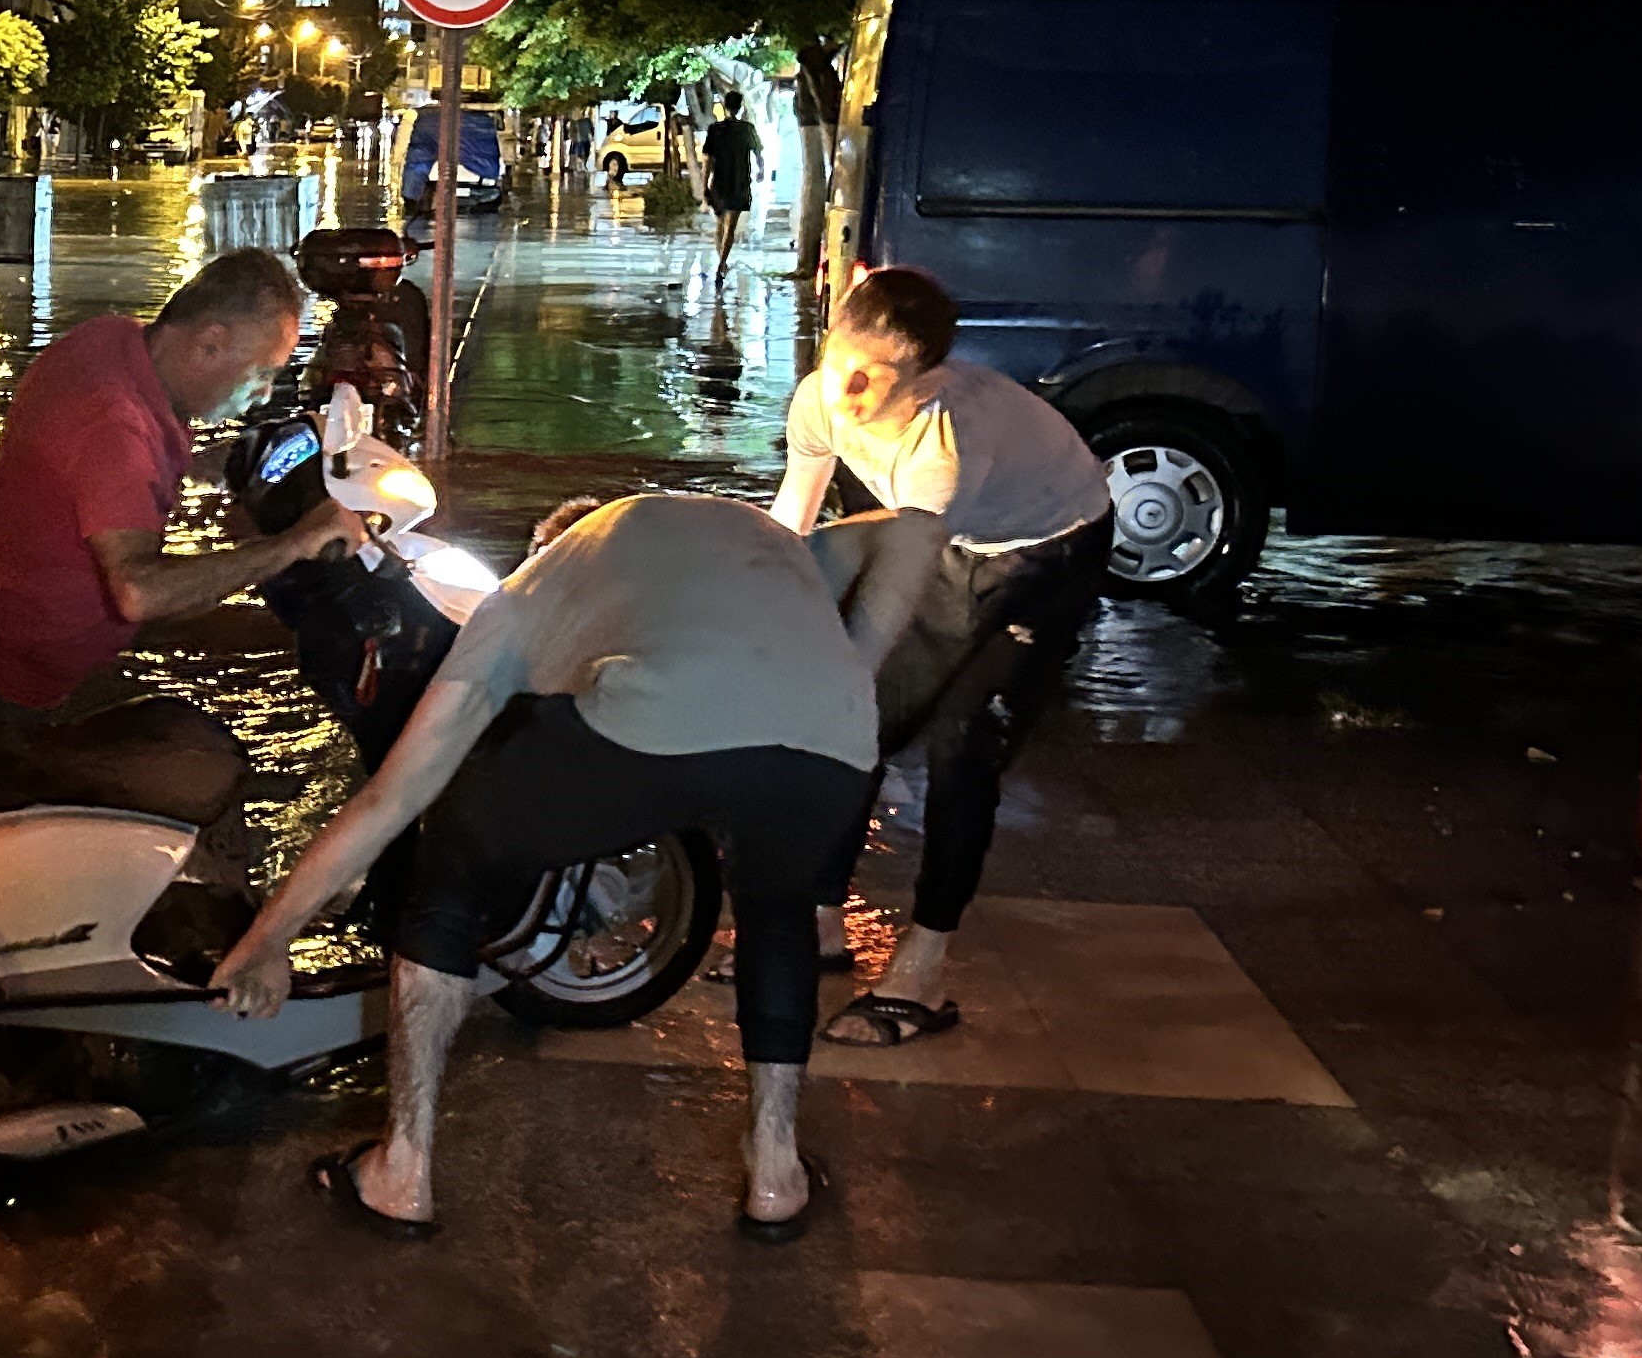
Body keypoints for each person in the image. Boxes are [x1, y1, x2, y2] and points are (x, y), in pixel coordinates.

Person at [211, 492, 882, 1241]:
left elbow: (388, 800)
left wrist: (269, 938)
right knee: (778, 914)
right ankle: (775, 1174)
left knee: (449, 869)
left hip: (663, 710)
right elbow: (885, 544)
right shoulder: (742, 530)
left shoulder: (527, 594)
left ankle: (401, 1171)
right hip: (841, 735)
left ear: (545, 549)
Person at [773, 264, 1113, 1049]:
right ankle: (820, 922)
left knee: (963, 745)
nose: (849, 390)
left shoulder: (943, 446)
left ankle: (923, 969)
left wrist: (819, 685)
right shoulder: (821, 397)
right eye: (841, 360)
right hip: (947, 546)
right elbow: (791, 528)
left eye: (876, 378)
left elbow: (891, 601)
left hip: (1047, 553)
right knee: (858, 721)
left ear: (921, 380)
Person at [0, 246, 365, 728]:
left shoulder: (111, 338)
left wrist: (198, 461)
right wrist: (293, 544)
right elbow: (139, 591)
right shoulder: (114, 425)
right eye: (263, 373)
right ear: (209, 343)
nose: (265, 394)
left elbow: (88, 466)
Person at [702, 90, 764, 268]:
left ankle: (721, 260)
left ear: (724, 105)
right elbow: (759, 153)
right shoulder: (747, 129)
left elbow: (708, 160)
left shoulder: (715, 130)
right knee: (731, 226)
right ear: (740, 106)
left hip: (720, 182)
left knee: (720, 224)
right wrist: (761, 171)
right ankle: (723, 261)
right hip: (740, 182)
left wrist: (705, 185)